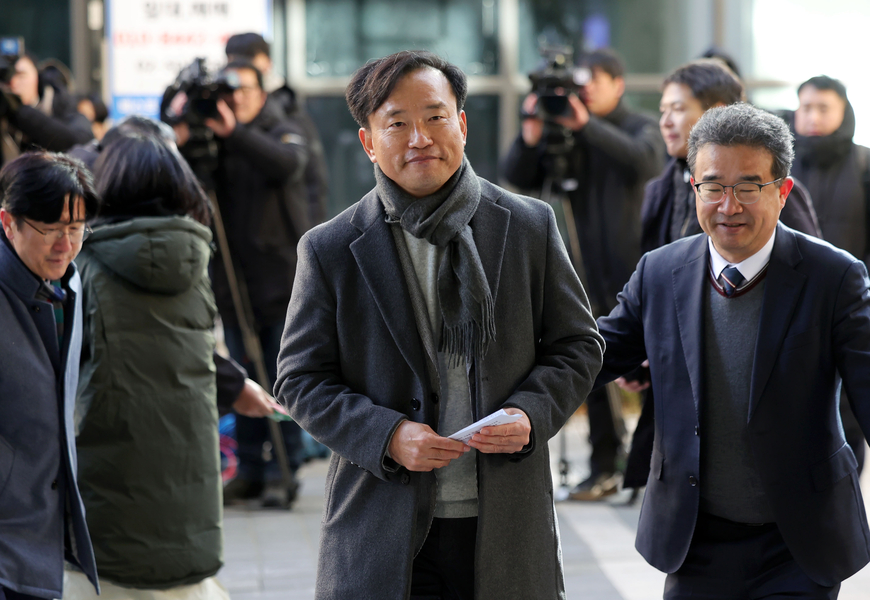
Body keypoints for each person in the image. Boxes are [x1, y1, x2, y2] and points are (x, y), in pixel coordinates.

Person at [274, 50, 604, 599]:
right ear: (369, 142)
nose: (420, 138)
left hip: (505, 526)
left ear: (463, 125)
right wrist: (386, 435)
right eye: (397, 124)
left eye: (435, 117)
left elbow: (578, 345)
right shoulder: (330, 248)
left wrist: (532, 412)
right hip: (383, 525)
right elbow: (299, 379)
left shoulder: (528, 226)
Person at [596, 102, 870, 598]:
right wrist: (521, 403)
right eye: (713, 187)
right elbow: (592, 356)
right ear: (694, 188)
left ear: (783, 192)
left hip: (799, 540)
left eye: (748, 187)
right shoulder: (660, 271)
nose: (729, 206)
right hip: (695, 536)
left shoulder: (833, 277)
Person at [62, 133, 280, 599]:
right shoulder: (194, 262)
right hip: (189, 509)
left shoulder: (82, 267)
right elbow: (185, 349)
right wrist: (237, 384)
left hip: (105, 515)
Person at [622, 60, 823, 491]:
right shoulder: (662, 189)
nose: (666, 121)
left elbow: (809, 282)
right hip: (684, 407)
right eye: (663, 109)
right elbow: (654, 295)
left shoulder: (775, 197)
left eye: (678, 108)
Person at [501, 47, 665, 500]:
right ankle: (603, 466)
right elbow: (518, 175)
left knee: (648, 368)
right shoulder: (564, 134)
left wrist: (585, 125)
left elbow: (645, 162)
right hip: (580, 266)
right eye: (580, 83)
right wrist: (531, 131)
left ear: (618, 84)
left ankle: (652, 468)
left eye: (593, 82)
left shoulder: (638, 126)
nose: (584, 92)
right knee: (590, 363)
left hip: (631, 266)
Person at [193, 59, 317, 507]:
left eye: (244, 89)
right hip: (232, 281)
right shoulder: (213, 139)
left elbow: (287, 164)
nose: (237, 98)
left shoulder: (282, 126)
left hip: (280, 284)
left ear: (261, 92)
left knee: (281, 375)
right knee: (241, 374)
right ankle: (248, 469)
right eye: (230, 91)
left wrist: (236, 134)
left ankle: (283, 469)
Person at [0, 151, 99, 599]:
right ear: (8, 222)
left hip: (43, 526)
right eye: (50, 229)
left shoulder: (67, 283)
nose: (65, 245)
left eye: (75, 229)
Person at [783, 75, 870, 473]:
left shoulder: (864, 164)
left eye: (823, 108)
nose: (813, 117)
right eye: (806, 107)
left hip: (851, 306)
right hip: (790, 306)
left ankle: (846, 487)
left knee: (849, 404)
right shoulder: (781, 164)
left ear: (843, 112)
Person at [225, 32, 329, 226]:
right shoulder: (225, 108)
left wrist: (314, 232)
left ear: (267, 64)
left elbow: (313, 176)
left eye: (249, 64)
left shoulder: (287, 108)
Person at [0, 54, 93, 167]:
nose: (13, 83)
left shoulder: (61, 105)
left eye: (21, 75)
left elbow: (75, 143)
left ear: (37, 77)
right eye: (6, 78)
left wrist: (18, 110)